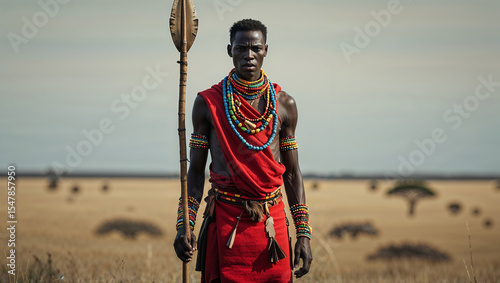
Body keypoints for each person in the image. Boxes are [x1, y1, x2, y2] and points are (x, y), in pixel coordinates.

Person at [174, 19, 312, 282]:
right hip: (226, 222)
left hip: (272, 226)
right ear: (230, 50)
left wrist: (303, 233)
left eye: (255, 48)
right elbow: (195, 171)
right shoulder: (207, 104)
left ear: (265, 50)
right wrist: (185, 225)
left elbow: (292, 174)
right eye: (241, 49)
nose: (248, 55)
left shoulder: (285, 105)